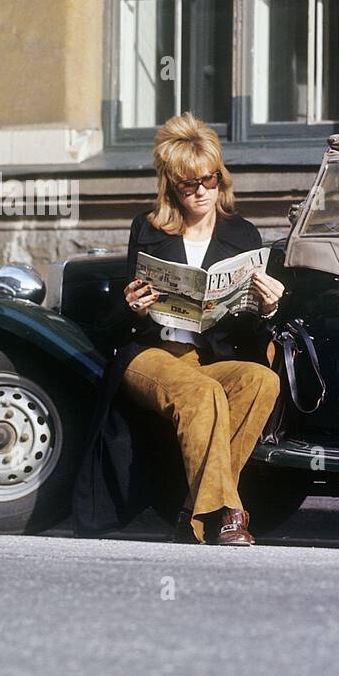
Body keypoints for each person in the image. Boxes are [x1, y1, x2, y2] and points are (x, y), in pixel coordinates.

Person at [73, 113, 285, 546]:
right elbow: (117, 317)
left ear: (220, 178)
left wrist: (268, 307)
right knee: (201, 393)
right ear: (171, 183)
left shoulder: (242, 233)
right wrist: (131, 306)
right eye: (190, 184)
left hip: (209, 357)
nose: (202, 191)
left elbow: (251, 330)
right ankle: (229, 512)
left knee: (261, 381)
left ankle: (193, 514)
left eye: (209, 179)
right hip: (151, 354)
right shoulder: (148, 228)